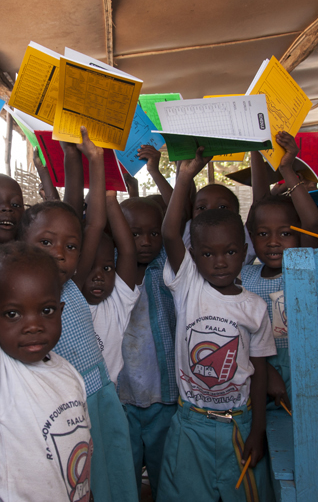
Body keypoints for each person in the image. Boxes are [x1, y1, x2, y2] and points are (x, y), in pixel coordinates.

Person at [0, 147, 92, 501]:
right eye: (12, 314)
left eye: (46, 311)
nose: (33, 325)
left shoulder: (68, 374)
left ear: (60, 309)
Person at [18, 127, 137, 502]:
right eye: (46, 243)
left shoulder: (73, 283)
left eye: (70, 246)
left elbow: (94, 222)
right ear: (23, 245)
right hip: (55, 405)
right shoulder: (18, 294)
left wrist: (97, 159)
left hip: (98, 396)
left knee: (110, 477)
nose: (59, 252)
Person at [159, 146, 276, 501]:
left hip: (239, 422)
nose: (220, 262)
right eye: (208, 254)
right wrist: (183, 178)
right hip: (190, 422)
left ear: (244, 251)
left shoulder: (255, 308)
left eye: (229, 252)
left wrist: (258, 429)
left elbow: (259, 373)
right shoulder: (189, 286)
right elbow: (169, 235)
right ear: (193, 257)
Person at [241, 133, 318, 410]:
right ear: (250, 236)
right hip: (256, 370)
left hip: (303, 372)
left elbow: (312, 224)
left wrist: (286, 169)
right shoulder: (244, 278)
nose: (273, 241)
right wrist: (256, 150)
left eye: (285, 233)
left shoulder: (302, 271)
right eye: (262, 234)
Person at [116, 196, 177, 498]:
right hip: (121, 398)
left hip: (163, 396)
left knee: (164, 475)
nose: (145, 241)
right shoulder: (109, 271)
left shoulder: (167, 269)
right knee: (123, 477)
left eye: (154, 233)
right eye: (134, 233)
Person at [80, 191, 139, 386]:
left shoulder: (116, 305)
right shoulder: (65, 303)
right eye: (89, 267)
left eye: (107, 268)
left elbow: (128, 251)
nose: (99, 276)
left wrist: (111, 201)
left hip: (107, 400)